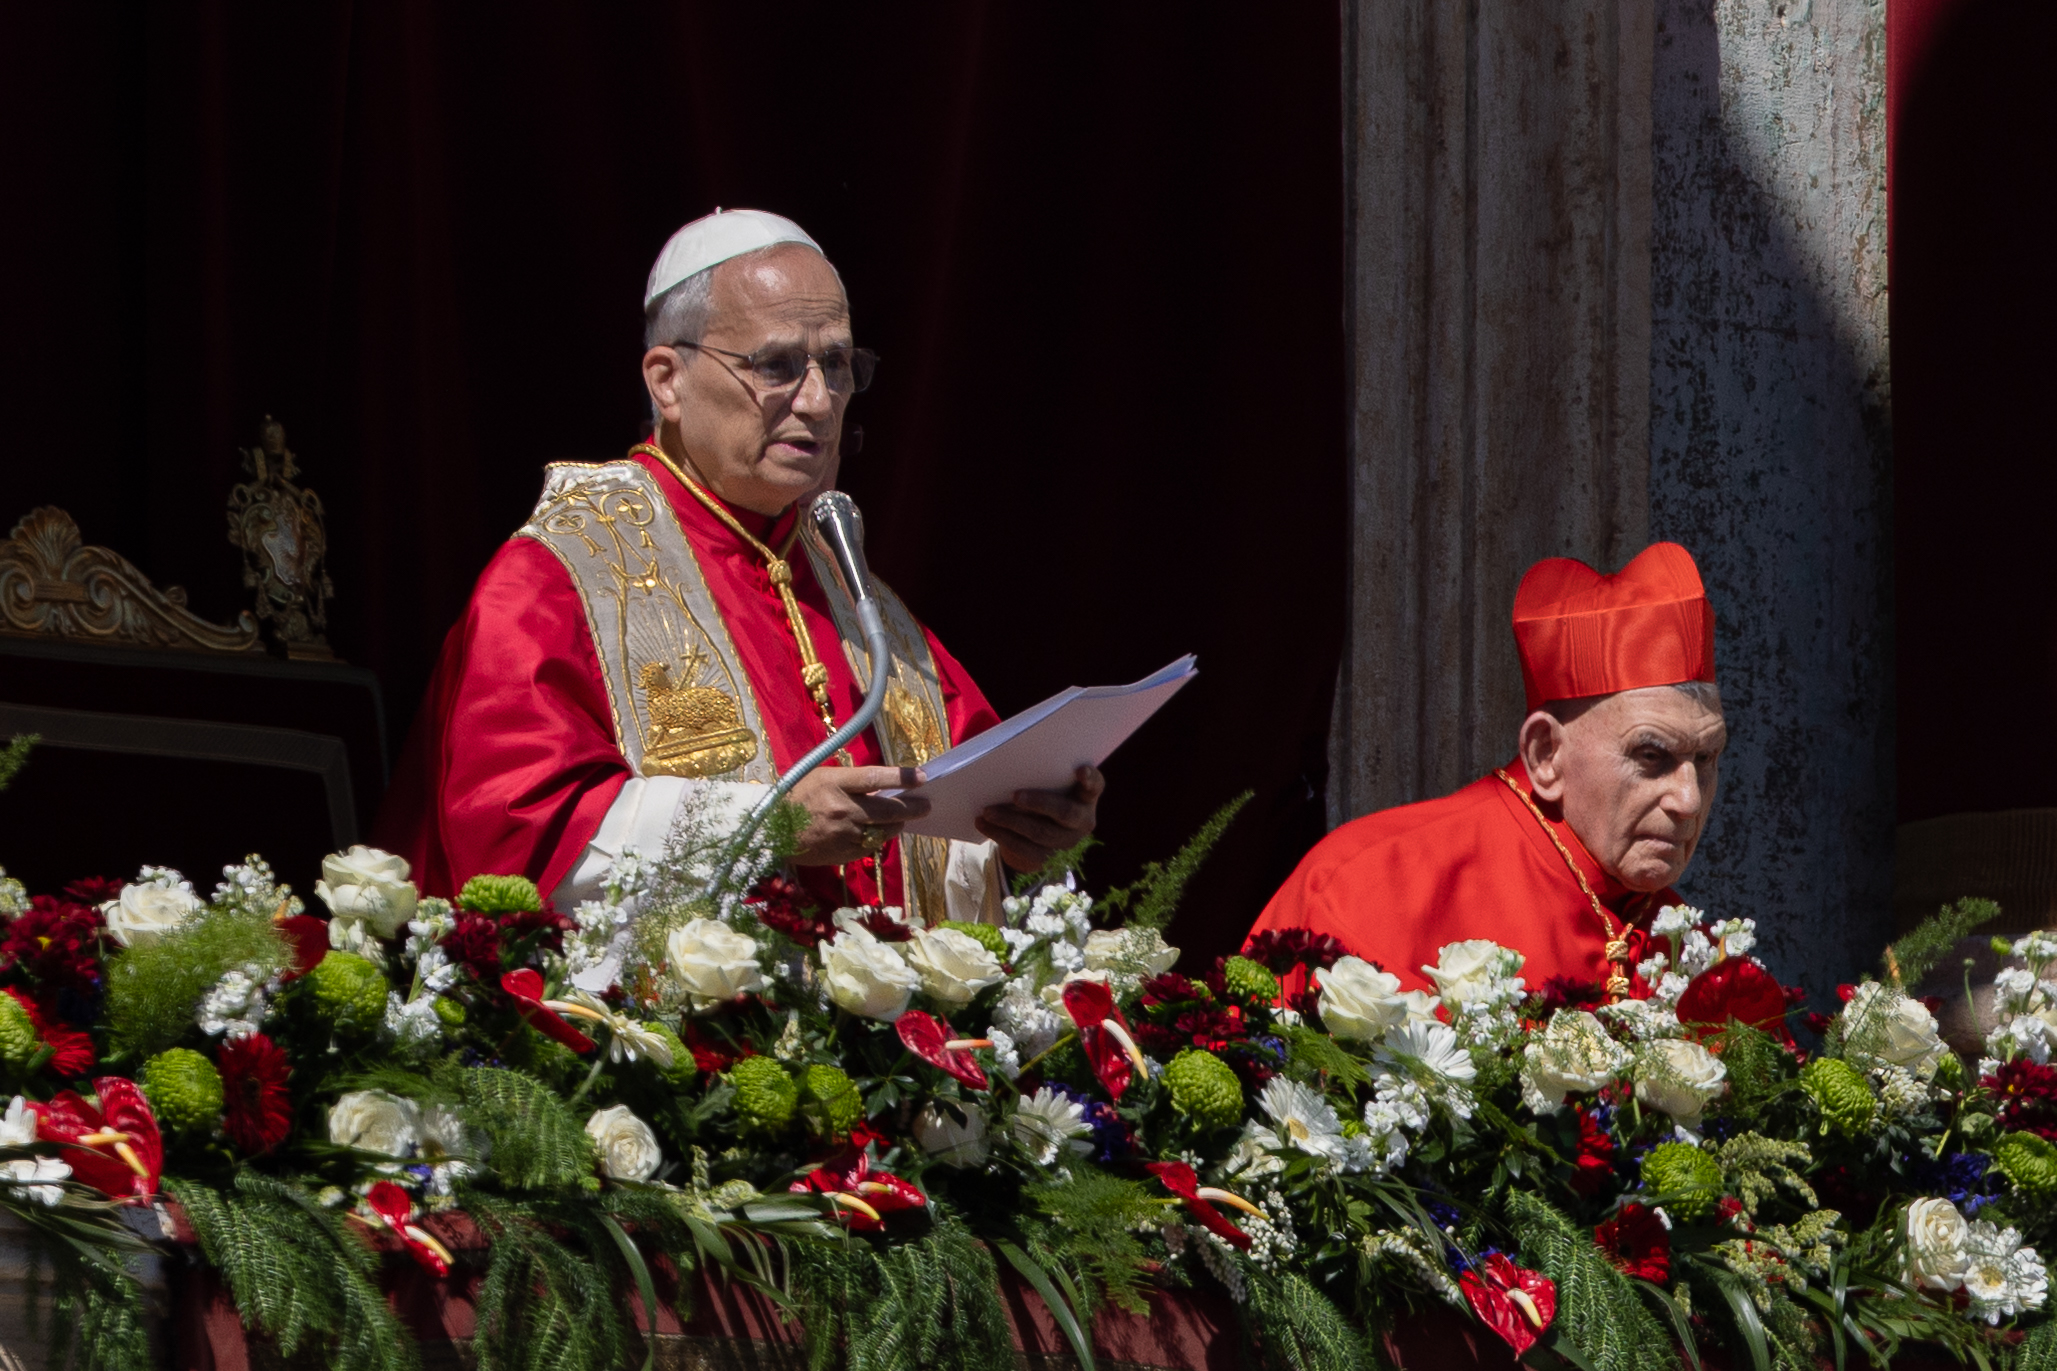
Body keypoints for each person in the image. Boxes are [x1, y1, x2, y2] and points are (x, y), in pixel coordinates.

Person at [375, 209, 1103, 926]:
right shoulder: (560, 574)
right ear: (667, 379)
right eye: (777, 365)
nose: (819, 403)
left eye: (839, 365)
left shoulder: (855, 598)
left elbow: (965, 787)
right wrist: (762, 827)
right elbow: (513, 830)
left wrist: (1022, 829)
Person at [1245, 542, 1726, 1000]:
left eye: (1704, 759)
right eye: (1651, 756)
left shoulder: (1694, 951)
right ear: (1546, 755)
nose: (1688, 800)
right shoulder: (1366, 885)